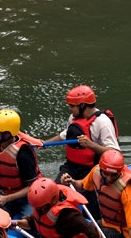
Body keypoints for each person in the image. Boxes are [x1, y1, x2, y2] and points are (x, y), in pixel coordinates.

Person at [43, 84, 120, 219]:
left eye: (72, 106)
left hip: (92, 169)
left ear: (82, 105)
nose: (70, 109)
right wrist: (44, 144)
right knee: (55, 193)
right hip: (71, 166)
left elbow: (114, 152)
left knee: (92, 210)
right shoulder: (73, 118)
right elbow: (65, 135)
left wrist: (91, 145)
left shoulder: (102, 122)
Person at [14, 177, 100, 238]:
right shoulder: (43, 206)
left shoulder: (68, 215)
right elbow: (32, 222)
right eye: (38, 207)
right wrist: (18, 223)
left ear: (54, 200)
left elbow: (95, 235)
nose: (40, 210)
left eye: (42, 207)